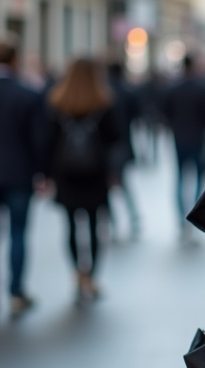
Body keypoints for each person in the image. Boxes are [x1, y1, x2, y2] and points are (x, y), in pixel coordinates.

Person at [46, 58, 120, 304]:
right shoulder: (103, 102)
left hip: (65, 174)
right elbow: (114, 140)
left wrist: (47, 174)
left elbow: (48, 141)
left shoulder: (57, 102)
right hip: (95, 174)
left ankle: (78, 273)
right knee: (94, 226)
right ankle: (92, 277)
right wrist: (114, 173)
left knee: (70, 226)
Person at [0, 38, 46, 316]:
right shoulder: (27, 94)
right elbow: (38, 140)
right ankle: (15, 292)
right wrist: (43, 173)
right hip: (18, 174)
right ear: (14, 59)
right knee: (17, 233)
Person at [162, 54, 205, 238]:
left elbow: (165, 113)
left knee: (180, 178)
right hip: (197, 139)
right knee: (198, 178)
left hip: (178, 139)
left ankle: (180, 220)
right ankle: (195, 215)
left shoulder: (173, 88)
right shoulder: (202, 89)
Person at [105, 61, 141, 241]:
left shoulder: (103, 92)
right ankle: (133, 218)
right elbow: (136, 115)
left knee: (107, 186)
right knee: (125, 184)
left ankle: (112, 222)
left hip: (106, 146)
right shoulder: (128, 92)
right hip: (123, 143)